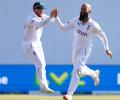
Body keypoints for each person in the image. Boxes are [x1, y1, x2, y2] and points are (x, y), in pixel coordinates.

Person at [52, 3, 112, 100]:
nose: (82, 11)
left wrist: (107, 49)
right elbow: (63, 28)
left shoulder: (94, 25)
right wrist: (56, 17)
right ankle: (94, 74)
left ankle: (69, 94)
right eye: (81, 9)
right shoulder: (76, 20)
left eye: (85, 9)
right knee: (79, 70)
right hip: (75, 48)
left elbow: (103, 37)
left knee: (77, 70)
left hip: (85, 50)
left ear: (89, 11)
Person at [22, 1, 56, 94]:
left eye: (42, 9)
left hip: (37, 43)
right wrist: (50, 16)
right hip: (29, 44)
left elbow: (52, 19)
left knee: (43, 64)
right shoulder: (30, 18)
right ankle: (44, 86)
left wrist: (54, 15)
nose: (41, 11)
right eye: (39, 9)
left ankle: (43, 86)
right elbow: (40, 24)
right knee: (40, 63)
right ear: (34, 9)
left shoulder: (42, 15)